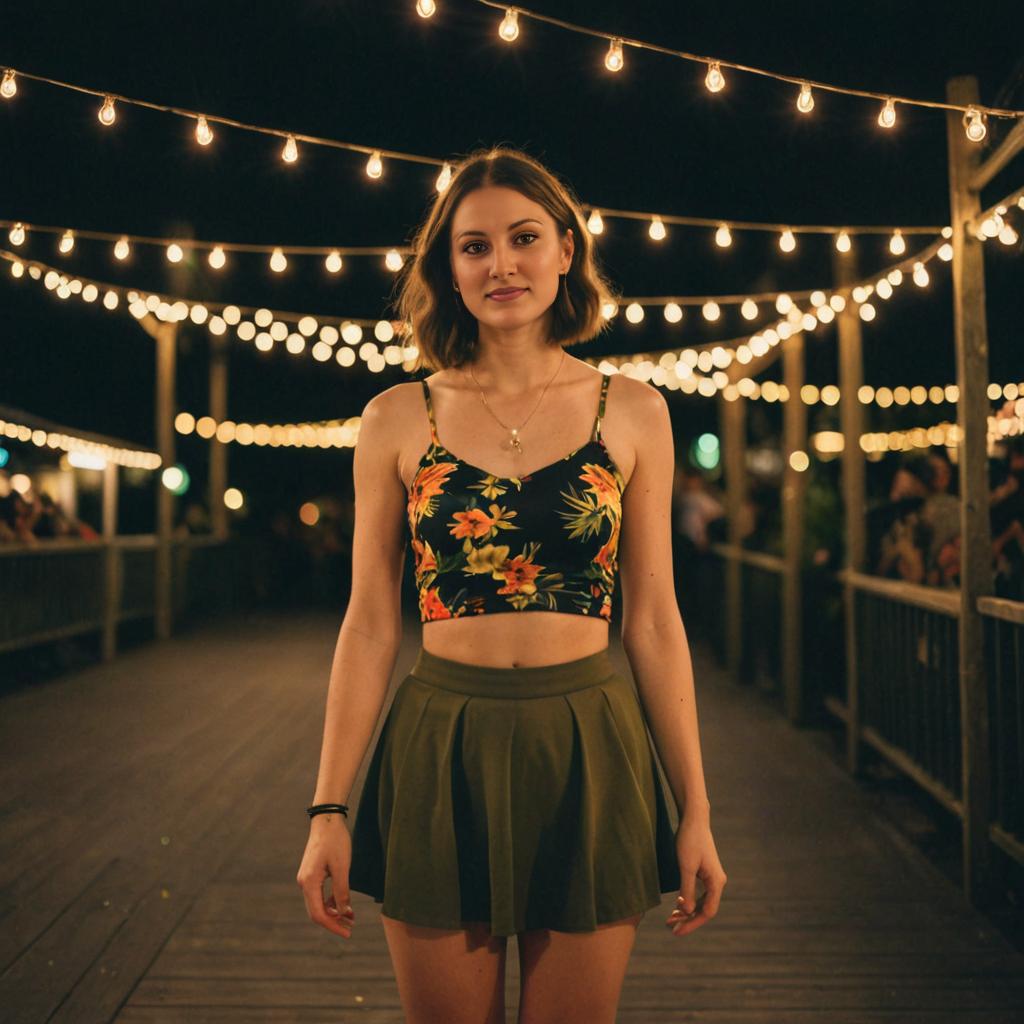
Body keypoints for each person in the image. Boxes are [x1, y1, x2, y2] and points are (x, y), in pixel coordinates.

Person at [296, 146, 726, 1024]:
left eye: (524, 238)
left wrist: (697, 812)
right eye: (474, 246)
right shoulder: (395, 418)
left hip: (591, 748)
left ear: (566, 249)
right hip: (439, 746)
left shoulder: (636, 409)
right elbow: (372, 625)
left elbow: (653, 623)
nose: (502, 265)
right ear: (448, 271)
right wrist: (328, 808)